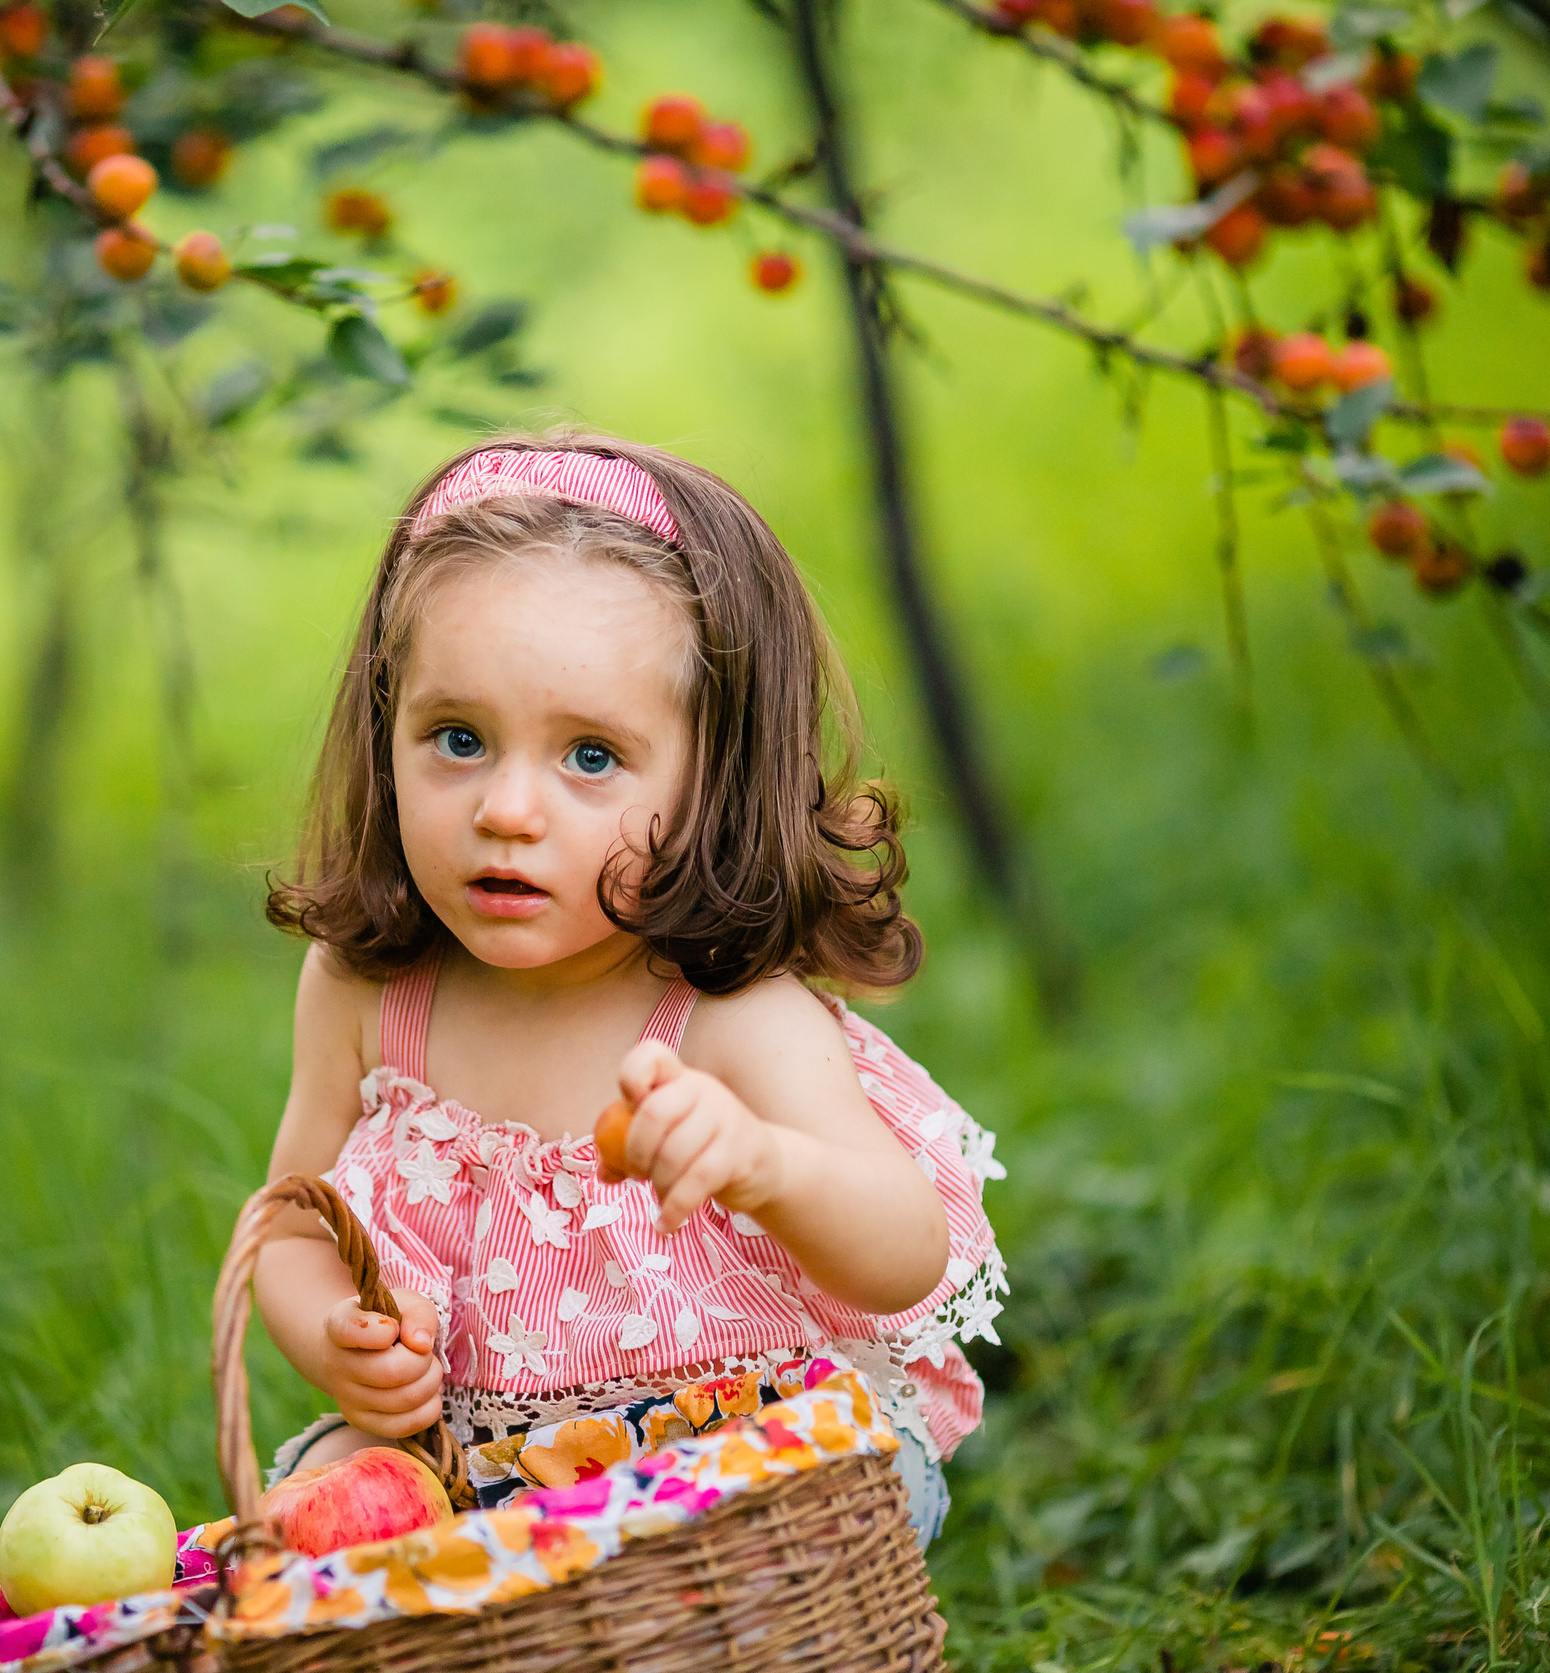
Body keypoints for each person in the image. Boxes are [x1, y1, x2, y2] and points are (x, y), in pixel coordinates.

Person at [252, 429, 1005, 1546]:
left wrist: (766, 1164)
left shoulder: (731, 1018)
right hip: (476, 1468)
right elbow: (289, 1226)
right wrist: (336, 1339)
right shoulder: (369, 993)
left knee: (802, 1505)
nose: (508, 809)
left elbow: (903, 1258)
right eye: (455, 738)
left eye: (590, 758)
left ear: (712, 784)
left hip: (733, 1456)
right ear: (384, 731)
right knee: (302, 1507)